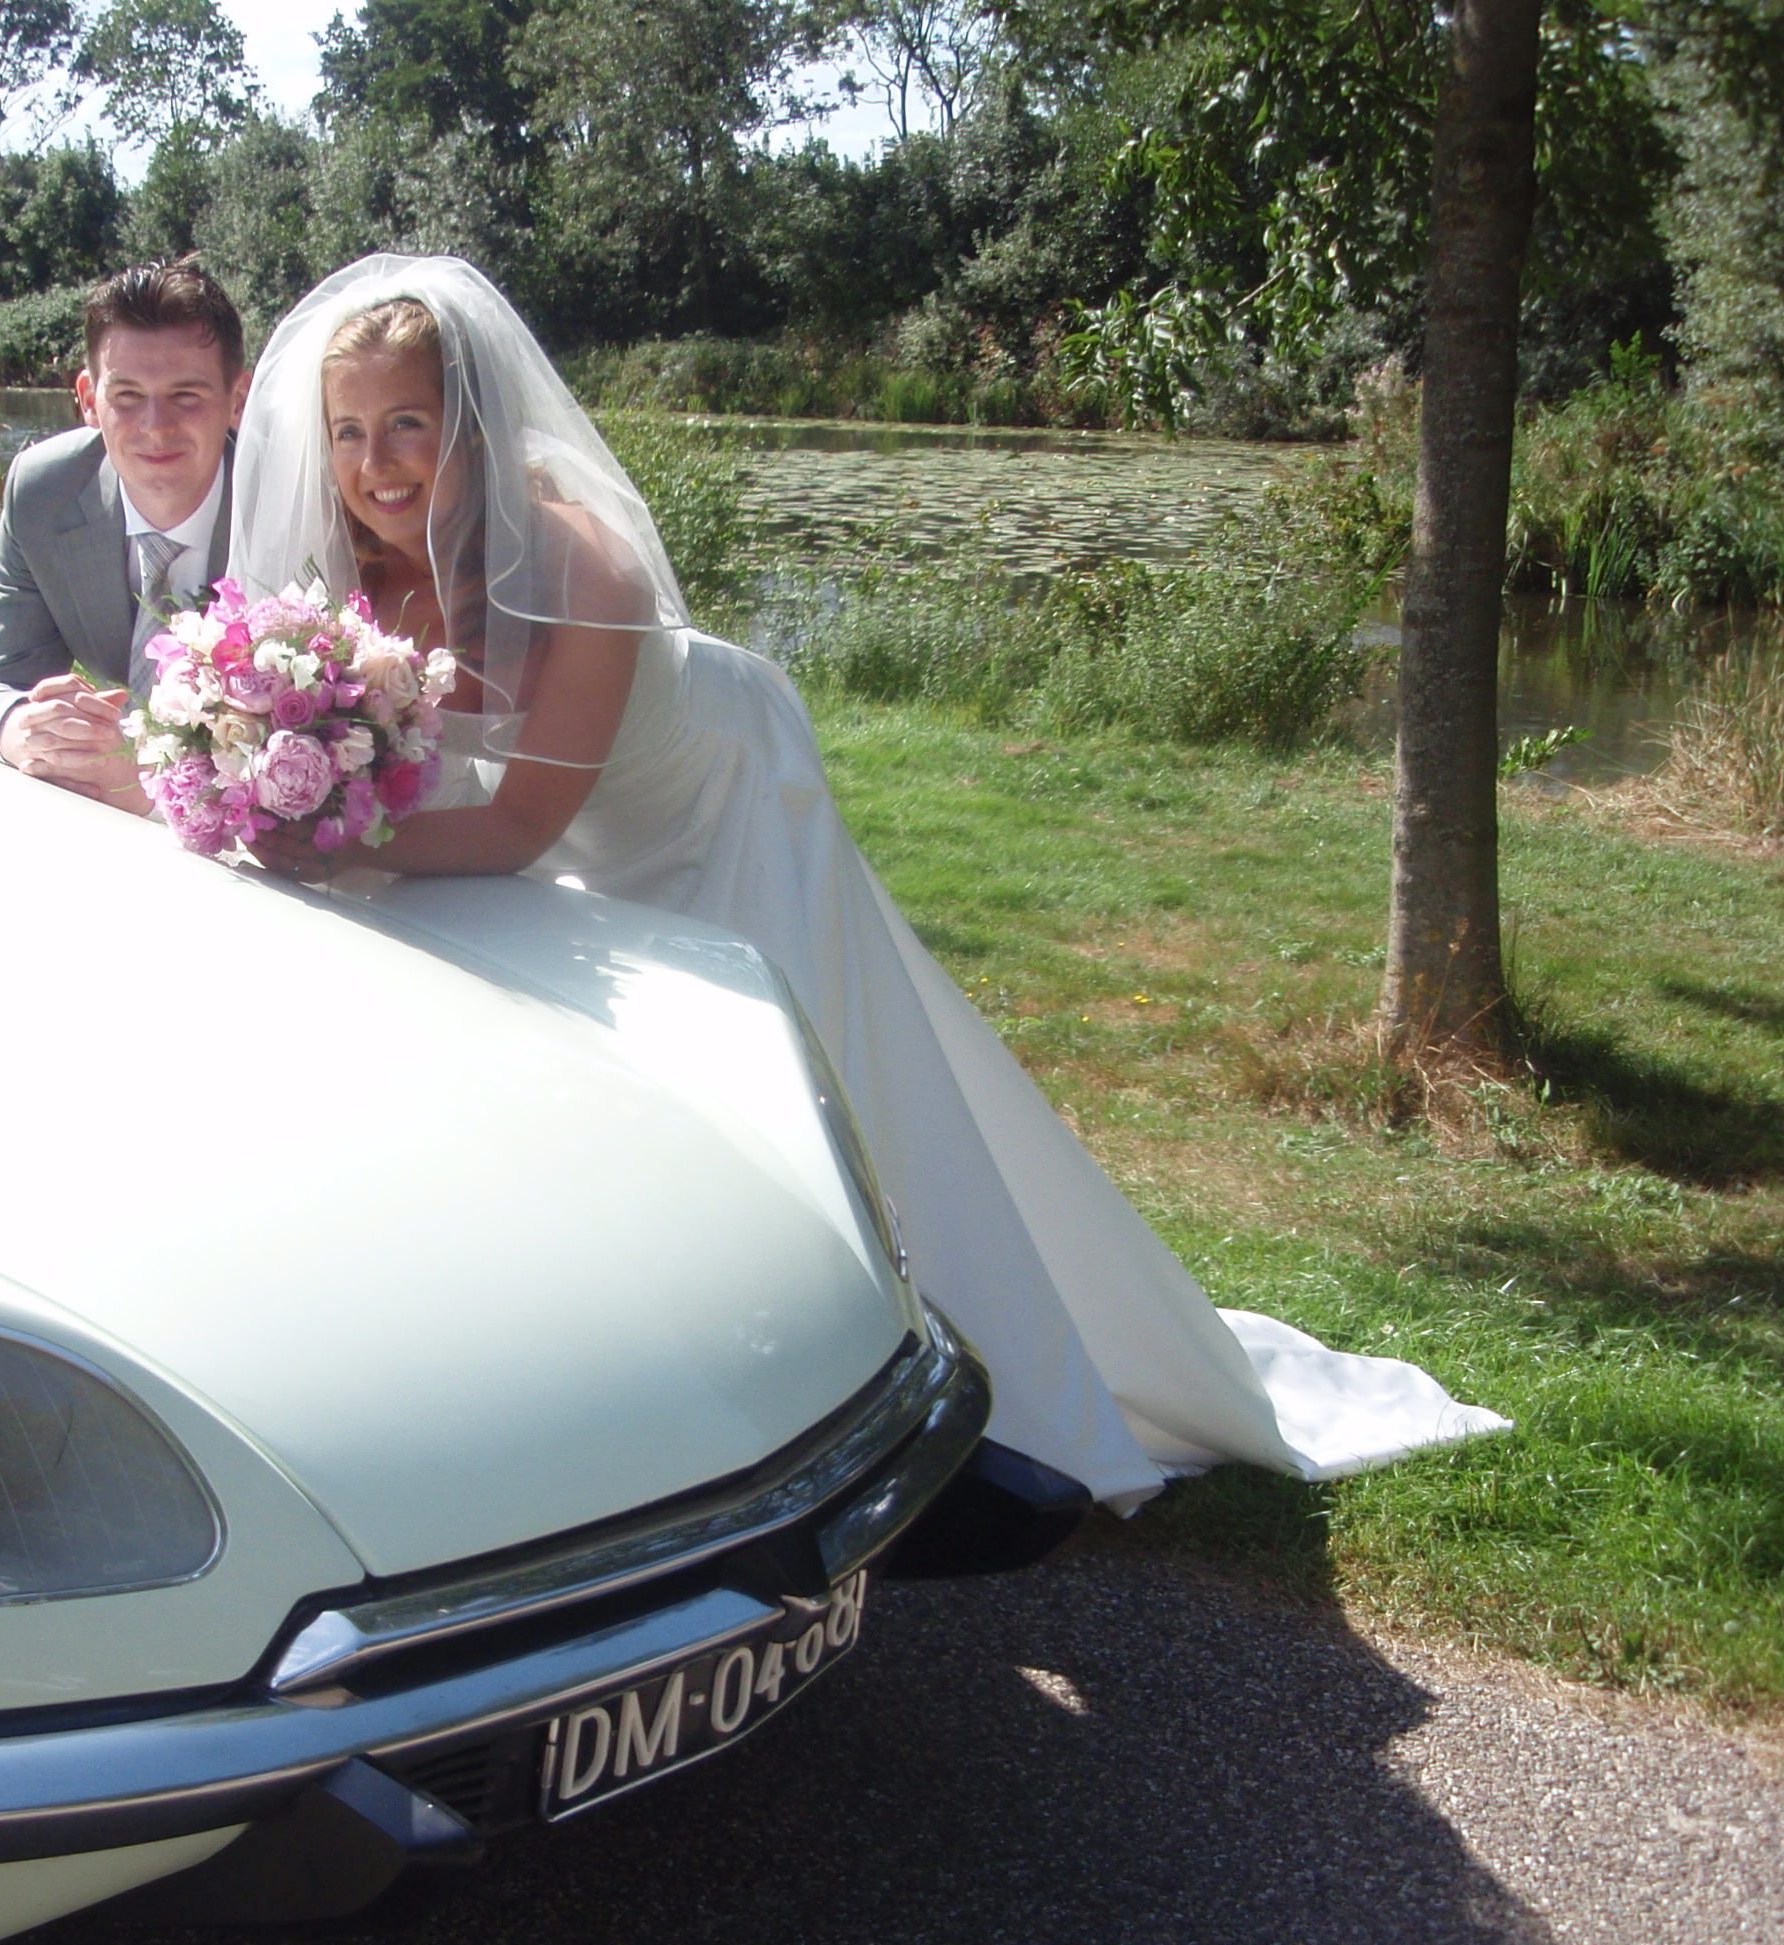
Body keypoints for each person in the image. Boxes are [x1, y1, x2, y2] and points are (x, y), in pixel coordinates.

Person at [229, 253, 1506, 1513]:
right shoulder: (356, 579)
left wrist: (335, 843)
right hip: (585, 837)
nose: (376, 462)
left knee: (815, 1087)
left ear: (475, 425)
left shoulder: (581, 569)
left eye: (408, 423)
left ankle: (928, 1374)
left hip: (719, 798)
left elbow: (516, 822)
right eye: (348, 430)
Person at [0, 257, 250, 811]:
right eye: (128, 396)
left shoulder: (285, 502)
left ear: (237, 399)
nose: (156, 427)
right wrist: (24, 729)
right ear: (89, 399)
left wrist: (145, 781)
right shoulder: (44, 491)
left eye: (186, 395)